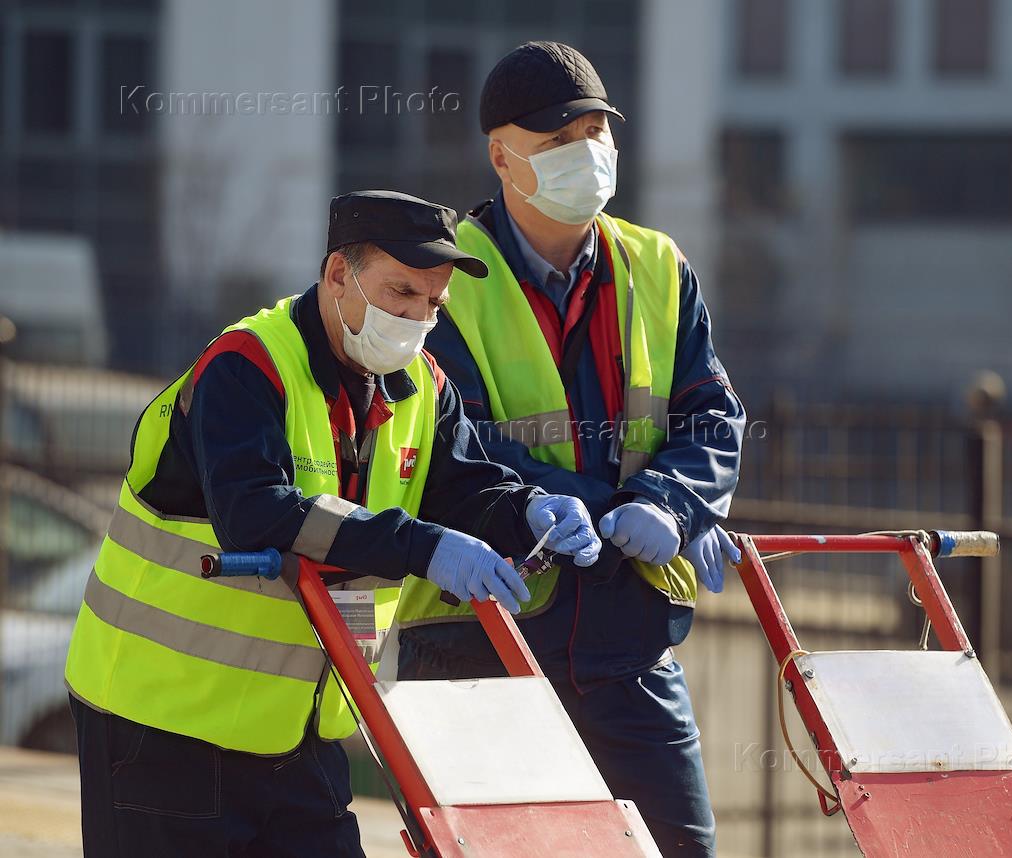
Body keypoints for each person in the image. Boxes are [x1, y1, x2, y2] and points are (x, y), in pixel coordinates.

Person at [63, 190, 603, 858]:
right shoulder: (246, 364)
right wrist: (422, 546)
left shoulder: (422, 385)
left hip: (296, 732)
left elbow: (464, 487)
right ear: (338, 275)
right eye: (401, 292)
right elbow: (255, 513)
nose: (417, 318)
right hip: (161, 724)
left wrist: (528, 510)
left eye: (434, 304)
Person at [392, 42, 745, 856]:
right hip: (480, 638)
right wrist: (614, 508)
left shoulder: (657, 266)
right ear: (500, 157)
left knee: (678, 848)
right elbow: (456, 447)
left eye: (594, 132)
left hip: (628, 641)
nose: (584, 153)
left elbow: (712, 415)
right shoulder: (442, 276)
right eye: (556, 140)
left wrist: (673, 504)